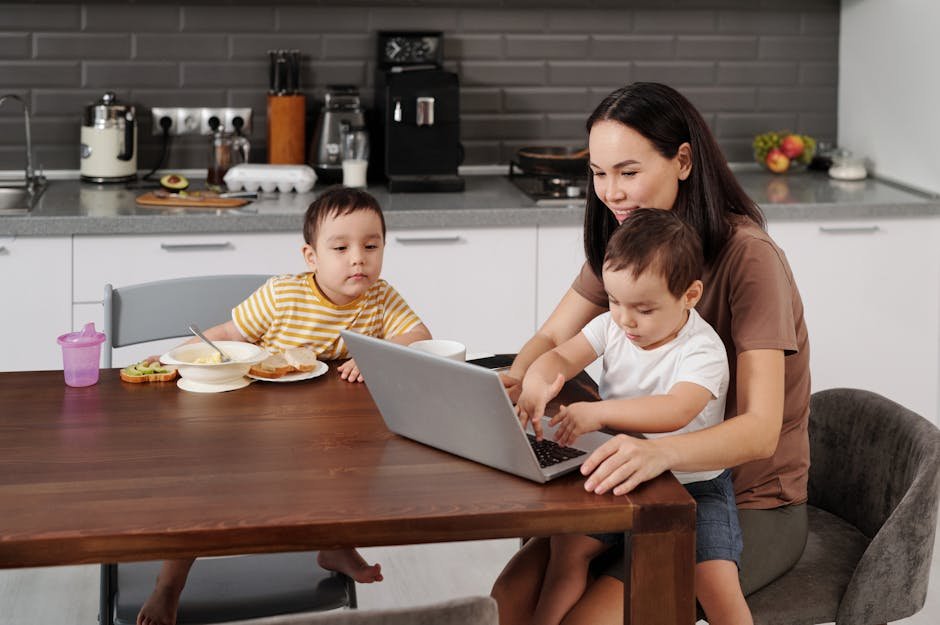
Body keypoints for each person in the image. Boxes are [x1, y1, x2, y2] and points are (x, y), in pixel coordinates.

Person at [491, 82, 810, 625]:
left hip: (735, 496)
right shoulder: (628, 245)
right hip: (630, 480)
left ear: (682, 161)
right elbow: (552, 340)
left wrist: (661, 453)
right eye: (597, 173)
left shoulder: (748, 256)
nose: (610, 192)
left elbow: (760, 430)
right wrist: (524, 379)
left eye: (628, 172)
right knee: (504, 604)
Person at [138, 186, 432, 625]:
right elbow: (226, 335)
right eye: (341, 247)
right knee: (202, 496)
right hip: (258, 434)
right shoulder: (282, 296)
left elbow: (421, 337)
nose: (358, 258)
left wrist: (377, 354)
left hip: (333, 434)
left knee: (354, 476)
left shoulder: (381, 298)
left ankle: (334, 545)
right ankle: (169, 584)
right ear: (311, 257)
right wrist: (168, 359)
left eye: (371, 246)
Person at [516, 208, 749, 625]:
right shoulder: (613, 325)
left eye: (642, 308)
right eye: (615, 301)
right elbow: (562, 355)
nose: (626, 319)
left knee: (717, 585)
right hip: (618, 474)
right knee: (566, 549)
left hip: (695, 487)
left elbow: (676, 410)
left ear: (690, 296)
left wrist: (598, 412)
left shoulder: (703, 349)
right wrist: (536, 380)